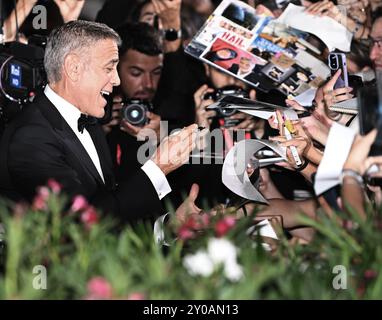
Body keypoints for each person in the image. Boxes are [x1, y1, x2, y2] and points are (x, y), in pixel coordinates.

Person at [0, 20, 198, 224]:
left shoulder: (90, 123)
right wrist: (158, 167)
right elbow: (82, 225)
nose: (116, 80)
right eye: (109, 68)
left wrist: (170, 226)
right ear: (74, 68)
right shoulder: (31, 137)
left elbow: (111, 209)